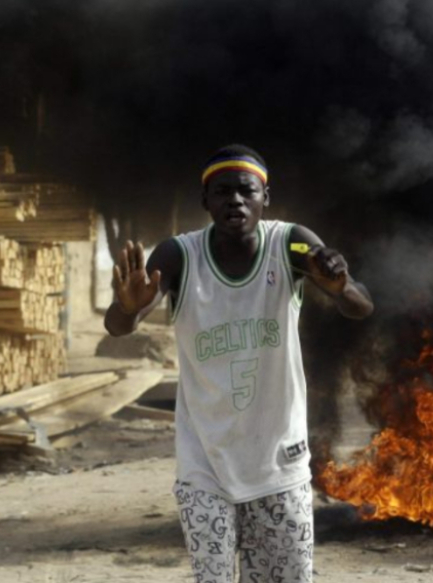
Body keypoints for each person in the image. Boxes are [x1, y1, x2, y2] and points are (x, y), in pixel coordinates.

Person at [104, 145, 374, 583]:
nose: (235, 200)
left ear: (265, 197)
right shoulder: (177, 255)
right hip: (203, 462)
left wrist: (341, 288)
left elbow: (361, 305)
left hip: (278, 461)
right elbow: (120, 325)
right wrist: (129, 307)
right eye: (222, 192)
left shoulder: (290, 242)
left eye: (247, 191)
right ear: (205, 201)